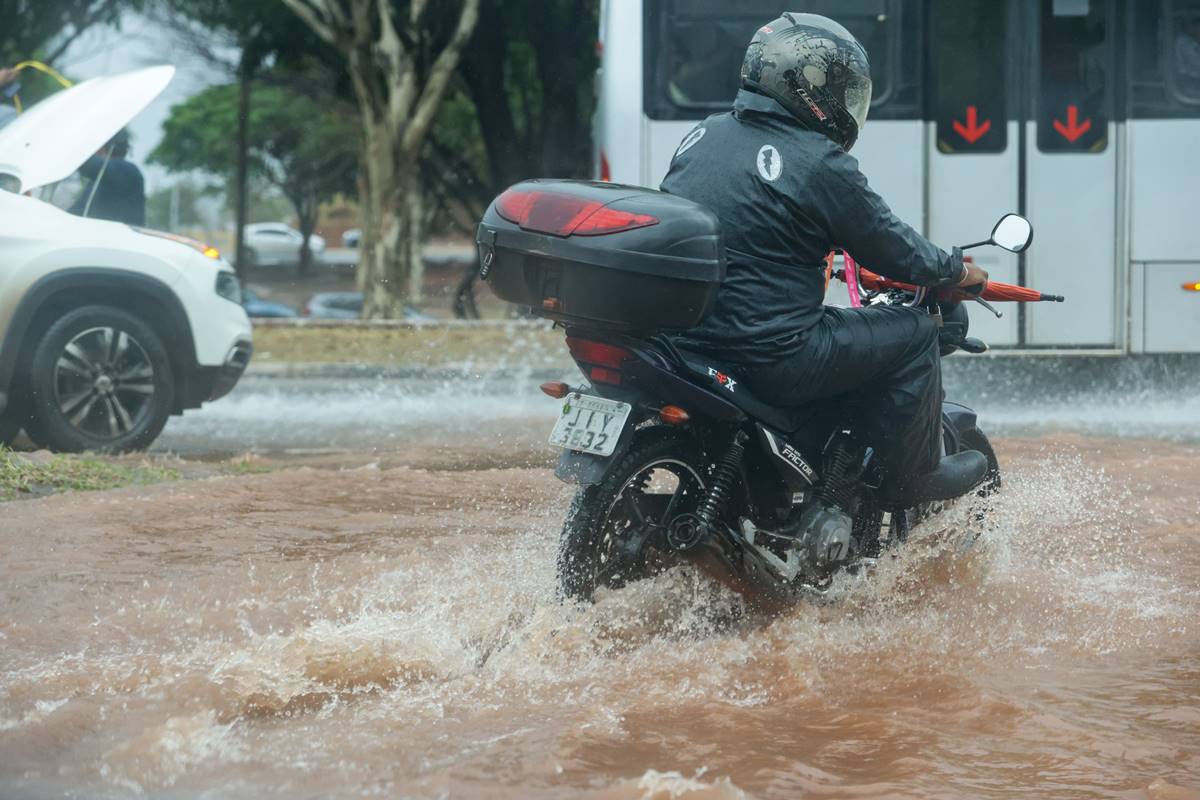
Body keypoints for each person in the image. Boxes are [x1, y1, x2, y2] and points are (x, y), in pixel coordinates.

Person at [660, 12, 989, 507]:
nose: (844, 104)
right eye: (837, 89)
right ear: (807, 88)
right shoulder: (816, 160)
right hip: (774, 354)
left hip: (688, 339)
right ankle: (914, 479)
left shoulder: (704, 135)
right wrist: (957, 271)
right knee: (915, 332)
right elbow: (889, 243)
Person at [68, 129, 146, 225]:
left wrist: (68, 146)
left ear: (102, 147)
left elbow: (87, 164)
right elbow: (75, 213)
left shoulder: (127, 171)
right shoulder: (98, 181)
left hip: (117, 239)